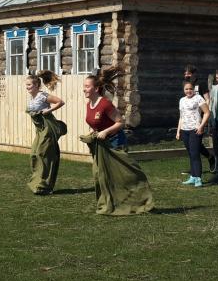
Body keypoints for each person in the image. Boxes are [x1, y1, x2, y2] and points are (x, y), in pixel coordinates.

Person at [80, 66, 154, 215]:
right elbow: (96, 123)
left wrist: (105, 132)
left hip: (115, 142)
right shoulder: (89, 105)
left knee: (124, 175)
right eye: (84, 86)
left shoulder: (105, 104)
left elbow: (120, 122)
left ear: (96, 88)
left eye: (87, 86)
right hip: (101, 145)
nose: (84, 89)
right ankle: (110, 203)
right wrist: (94, 132)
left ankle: (141, 200)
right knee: (100, 175)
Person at [25, 70, 66, 195]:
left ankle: (44, 186)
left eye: (29, 85)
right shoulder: (32, 98)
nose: (27, 87)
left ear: (37, 85)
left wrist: (48, 110)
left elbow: (60, 102)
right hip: (39, 130)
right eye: (26, 85)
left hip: (47, 129)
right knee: (34, 154)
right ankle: (38, 182)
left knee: (43, 155)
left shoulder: (42, 96)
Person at [177, 80, 210, 187]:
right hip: (184, 130)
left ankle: (198, 179)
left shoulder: (198, 98)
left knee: (195, 154)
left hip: (195, 130)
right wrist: (178, 131)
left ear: (194, 89)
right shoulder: (182, 100)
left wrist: (201, 126)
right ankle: (193, 176)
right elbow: (181, 116)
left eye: (190, 89)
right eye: (186, 89)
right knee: (191, 154)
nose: (188, 91)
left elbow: (207, 112)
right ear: (183, 90)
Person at [183, 64, 215, 171]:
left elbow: (207, 99)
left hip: (200, 117)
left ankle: (197, 169)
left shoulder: (201, 83)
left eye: (188, 73)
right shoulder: (186, 84)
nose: (186, 75)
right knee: (191, 144)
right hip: (188, 118)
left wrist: (204, 113)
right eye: (185, 73)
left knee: (195, 143)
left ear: (194, 74)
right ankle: (208, 158)